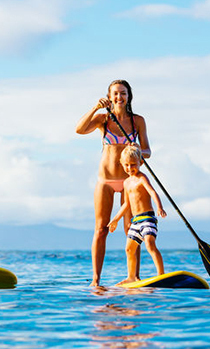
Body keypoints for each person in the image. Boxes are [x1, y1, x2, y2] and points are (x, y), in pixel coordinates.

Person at [75, 80, 151, 286]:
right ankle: (96, 280)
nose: (119, 97)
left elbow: (148, 152)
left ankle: (133, 277)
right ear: (109, 97)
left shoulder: (138, 121)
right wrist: (95, 108)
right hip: (106, 181)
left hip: (130, 182)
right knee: (101, 229)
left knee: (132, 229)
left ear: (129, 96)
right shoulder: (103, 119)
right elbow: (79, 130)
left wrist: (138, 150)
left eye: (123, 93)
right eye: (115, 94)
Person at [108, 145, 167, 284]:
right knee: (129, 249)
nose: (129, 168)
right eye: (126, 165)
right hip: (135, 221)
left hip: (147, 218)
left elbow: (153, 192)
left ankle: (161, 274)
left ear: (141, 162)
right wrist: (115, 219)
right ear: (122, 164)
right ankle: (131, 277)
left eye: (133, 164)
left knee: (150, 244)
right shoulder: (127, 182)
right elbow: (126, 204)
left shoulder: (142, 178)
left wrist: (159, 207)